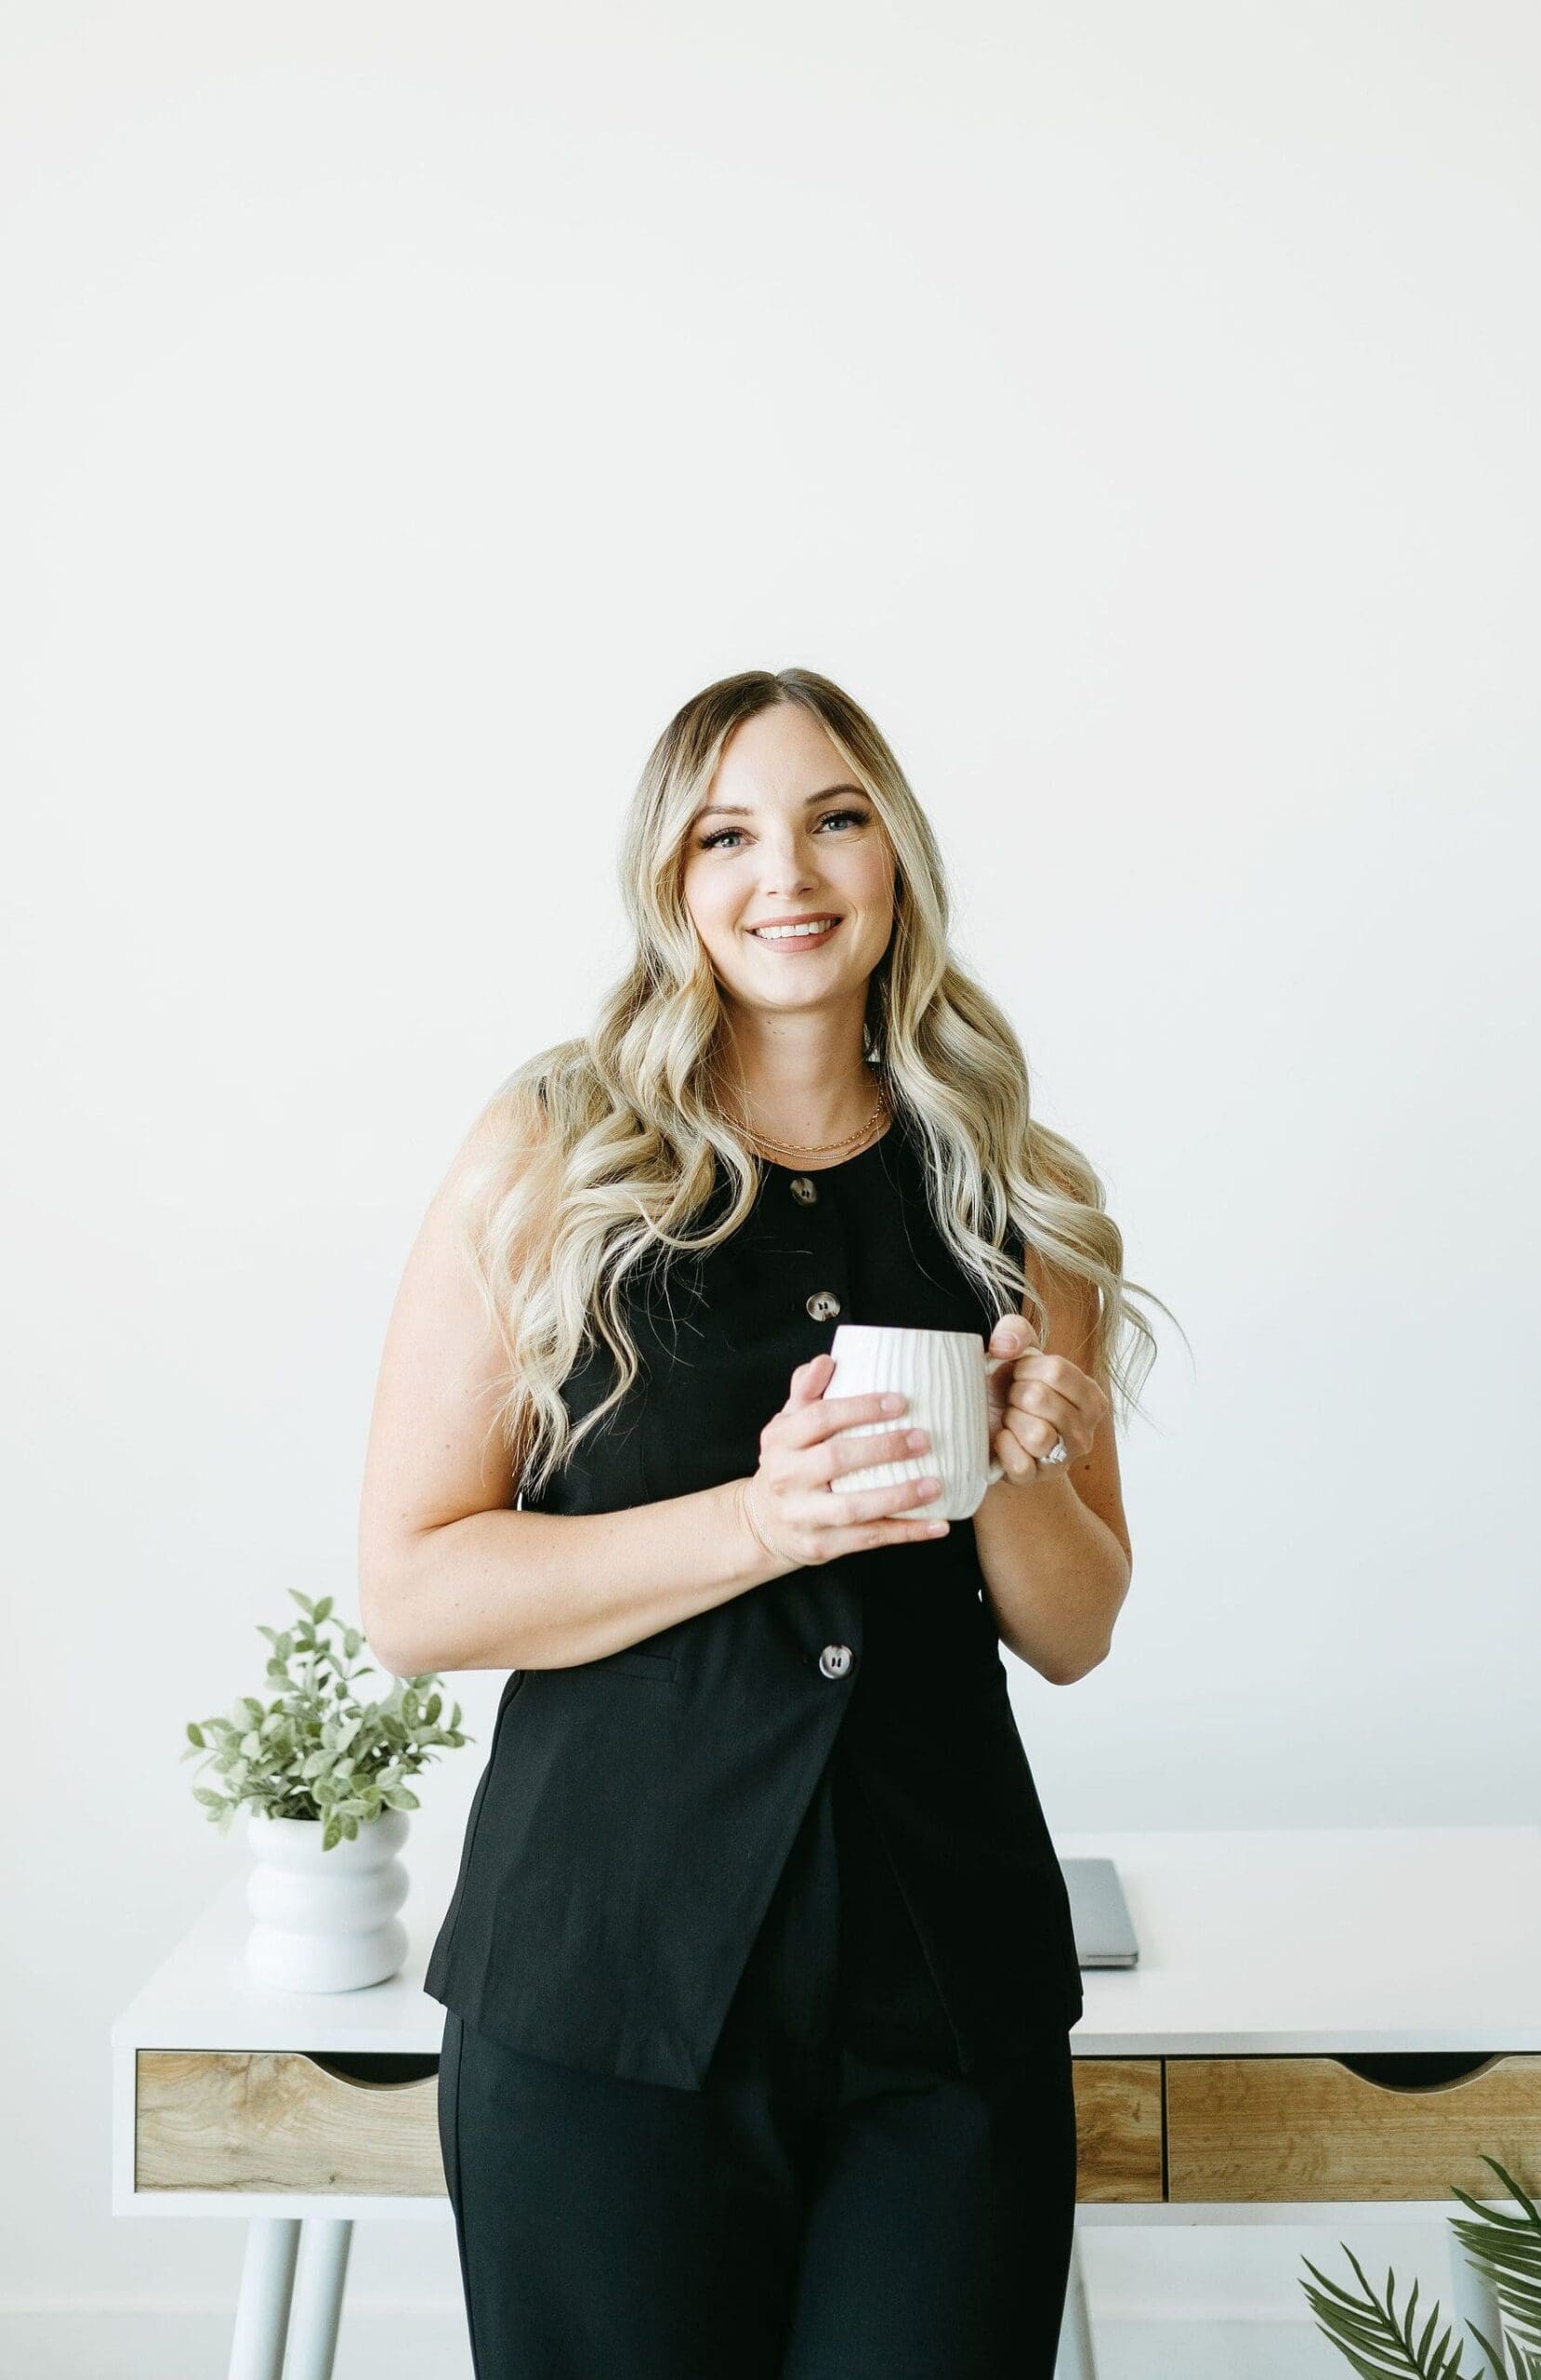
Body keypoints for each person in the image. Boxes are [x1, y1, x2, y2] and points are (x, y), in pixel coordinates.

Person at [358, 668, 1164, 2378]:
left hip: (946, 2001)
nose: (783, 875)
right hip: (602, 1997)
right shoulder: (551, 1154)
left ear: (897, 857)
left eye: (833, 819)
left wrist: (1023, 1463)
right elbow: (416, 1590)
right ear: (672, 880)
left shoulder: (1021, 1192)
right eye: (727, 833)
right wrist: (761, 1522)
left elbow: (1077, 1629)